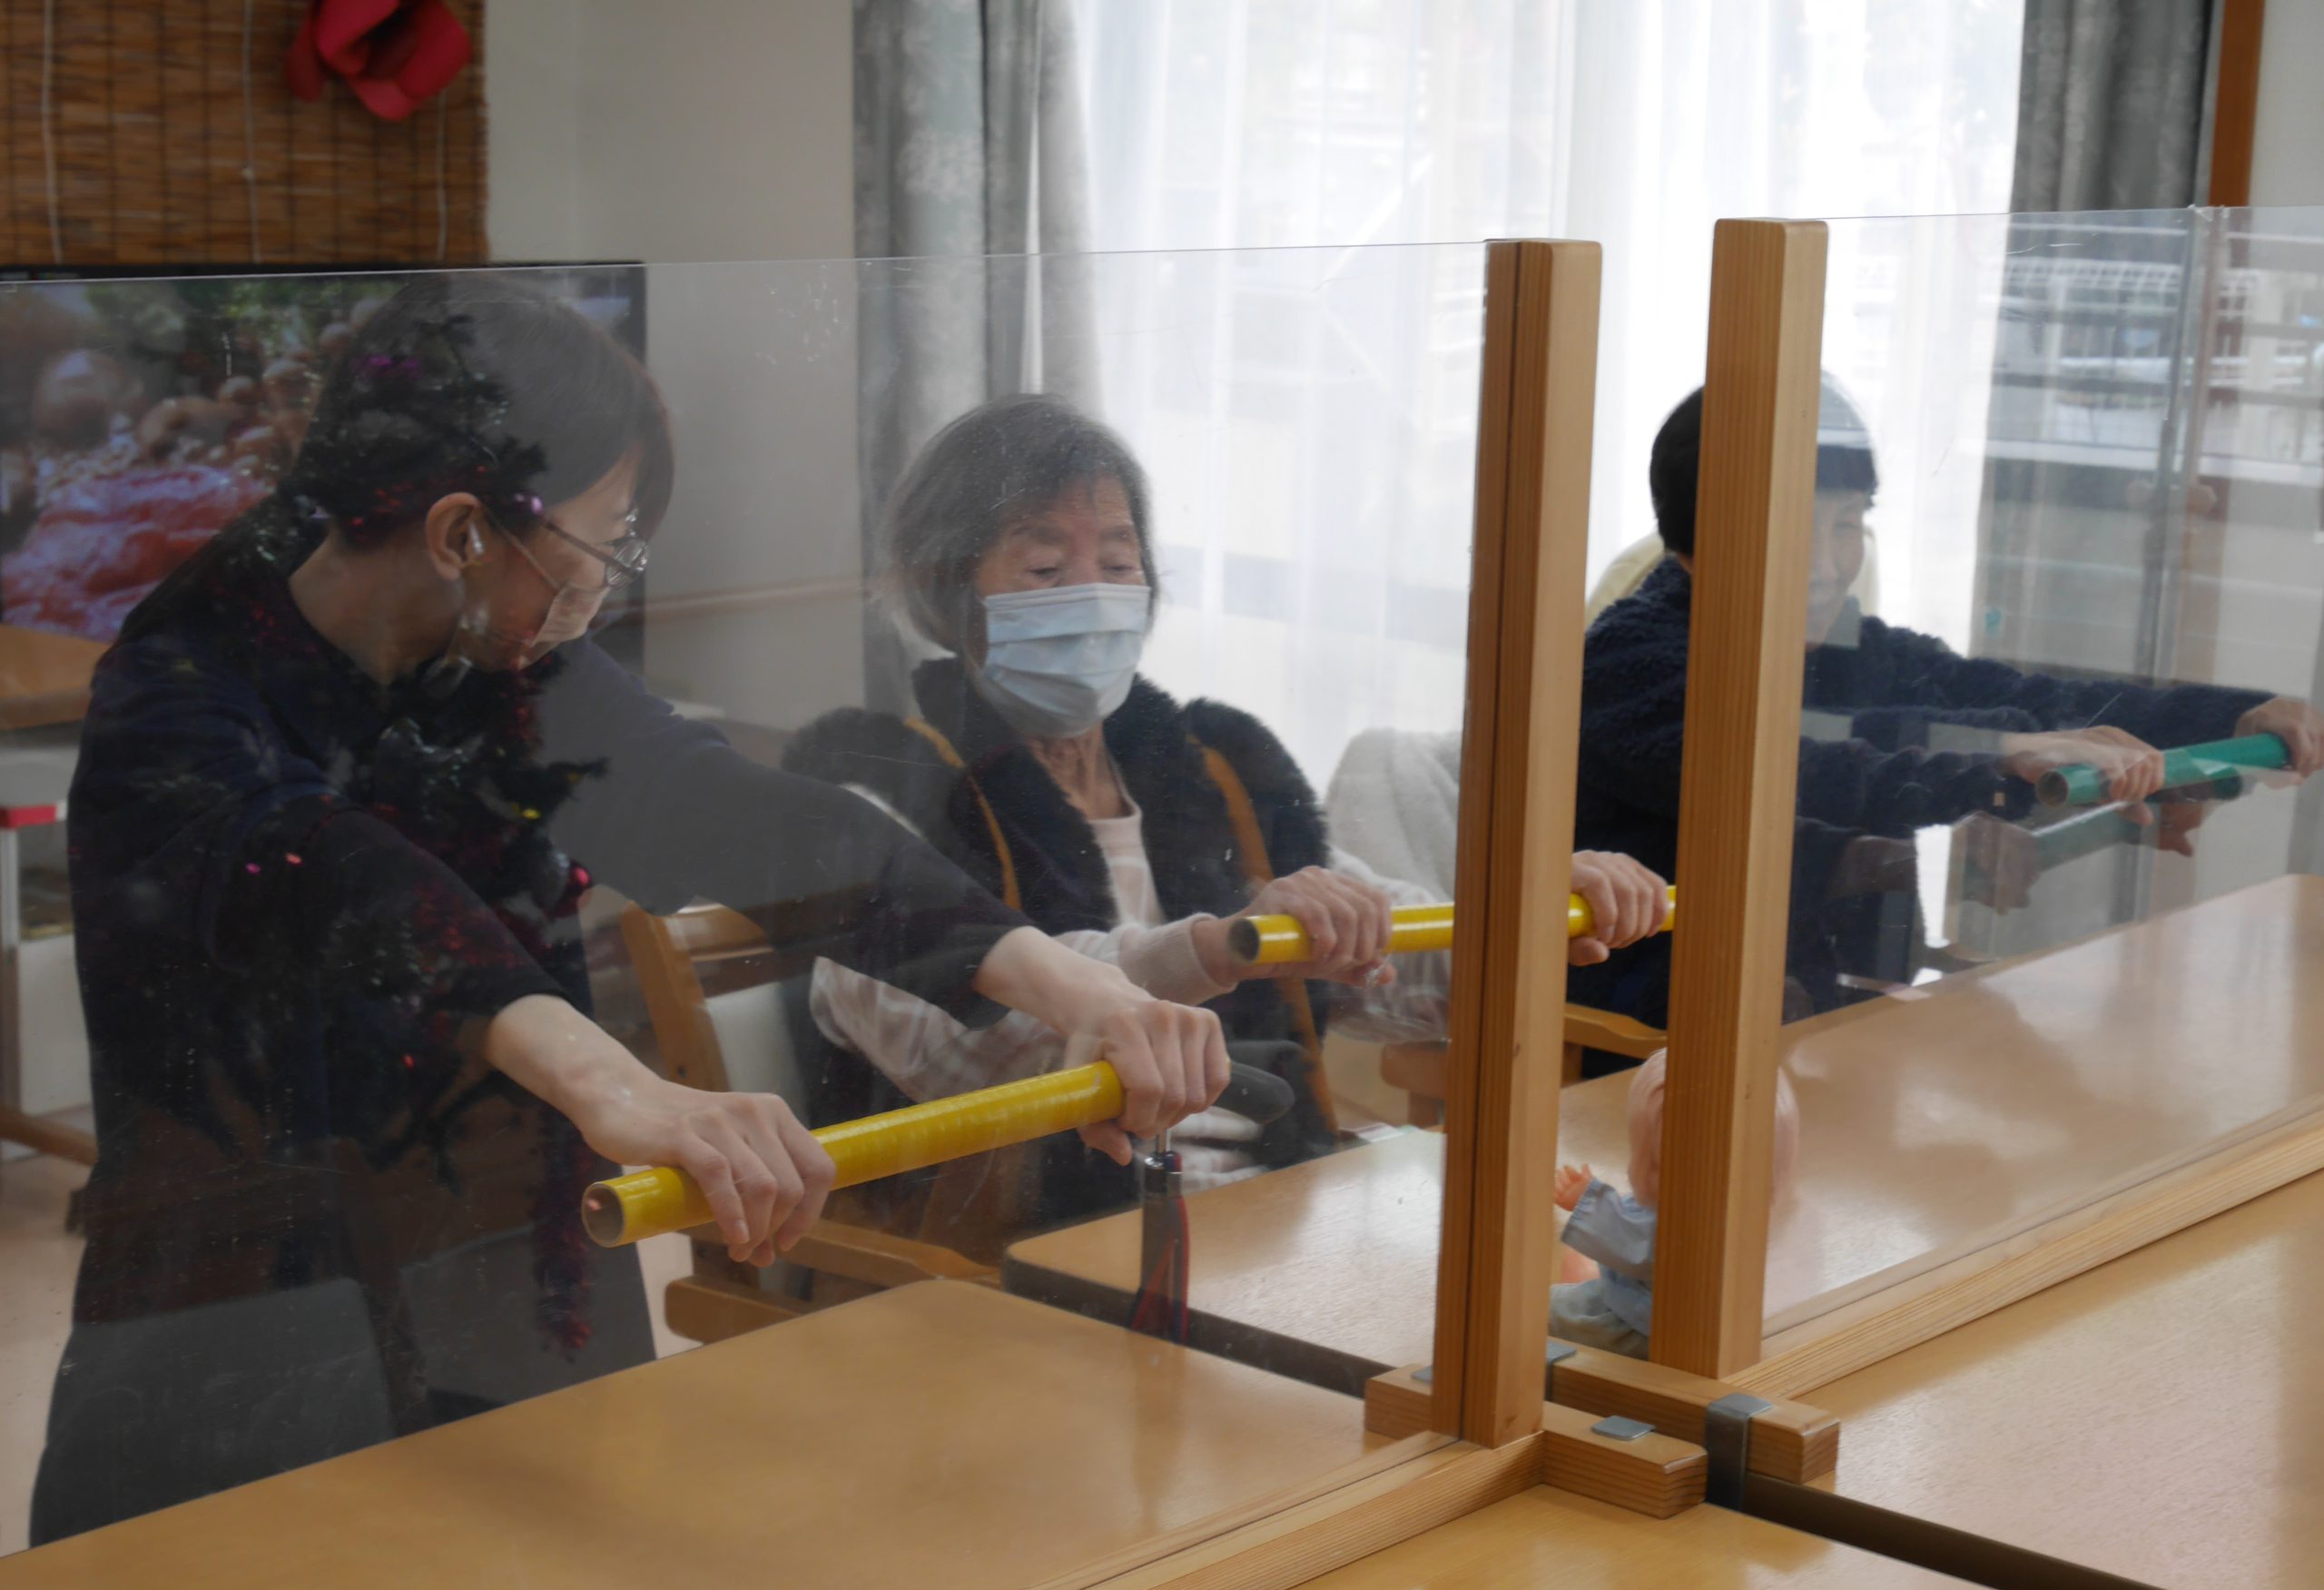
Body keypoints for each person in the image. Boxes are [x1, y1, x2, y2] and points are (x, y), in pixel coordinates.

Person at [33, 277, 1226, 1545]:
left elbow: (726, 806)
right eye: (604, 545)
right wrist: (620, 1086)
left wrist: (1071, 982)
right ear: (460, 533)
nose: (604, 592)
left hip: (509, 1257)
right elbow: (347, 885)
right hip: (259, 1295)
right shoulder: (182, 684)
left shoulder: (491, 647)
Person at [783, 394, 1669, 1220]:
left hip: (1278, 1205)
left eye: (1118, 564)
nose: (1093, 596)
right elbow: (976, 1047)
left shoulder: (1210, 772)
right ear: (949, 588)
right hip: (1044, 1245)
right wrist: (1219, 948)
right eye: (1046, 566)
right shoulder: (884, 797)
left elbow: (1388, 954)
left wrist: (1530, 917)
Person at [1569, 380, 2324, 1031]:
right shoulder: (1624, 660)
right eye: (1795, 528)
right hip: (1656, 1054)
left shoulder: (1851, 648)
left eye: (1847, 524)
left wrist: (2231, 719)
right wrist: (2000, 758)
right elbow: (1806, 768)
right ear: (1701, 534)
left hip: (1838, 1028)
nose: (1827, 566)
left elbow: (2026, 698)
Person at [1549, 1048, 1799, 1358]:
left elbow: (1635, 1248)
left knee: (1544, 1310)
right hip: (1683, 1312)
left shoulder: (1677, 1222)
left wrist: (1586, 1202)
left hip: (1638, 1327)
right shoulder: (1739, 1210)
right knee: (1579, 1263)